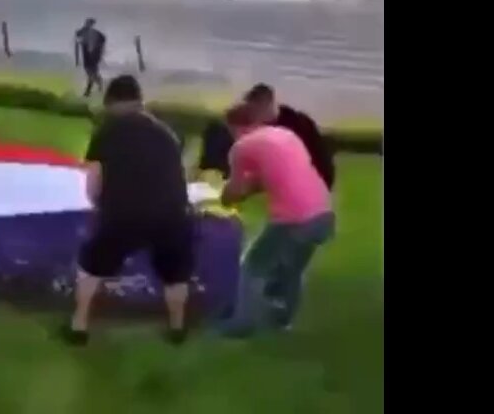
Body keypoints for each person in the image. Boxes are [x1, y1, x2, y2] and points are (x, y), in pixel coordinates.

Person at [64, 75, 193, 346]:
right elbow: (176, 176)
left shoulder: (108, 131)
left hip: (125, 214)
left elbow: (93, 183)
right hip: (172, 214)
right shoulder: (166, 133)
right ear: (139, 100)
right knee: (175, 272)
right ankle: (177, 328)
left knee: (91, 266)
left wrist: (101, 207)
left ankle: (79, 326)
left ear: (112, 102)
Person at [217, 102, 334, 337]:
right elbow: (278, 176)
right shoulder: (286, 135)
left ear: (235, 127)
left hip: (293, 217)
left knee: (252, 266)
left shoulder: (241, 147)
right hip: (323, 213)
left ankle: (242, 324)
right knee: (293, 270)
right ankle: (283, 322)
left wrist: (224, 197)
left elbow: (236, 191)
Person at [198, 84, 336, 190]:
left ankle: (212, 173)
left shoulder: (294, 126)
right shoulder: (274, 121)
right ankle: (211, 172)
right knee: (218, 131)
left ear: (265, 105)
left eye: (255, 110)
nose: (254, 116)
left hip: (309, 178)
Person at [74, 18, 106, 97]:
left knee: (91, 73)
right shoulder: (83, 32)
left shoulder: (96, 34)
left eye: (89, 23)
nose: (87, 25)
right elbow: (77, 36)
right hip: (87, 57)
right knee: (91, 73)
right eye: (87, 23)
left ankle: (90, 91)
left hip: (94, 57)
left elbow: (102, 40)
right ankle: (97, 88)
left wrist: (99, 51)